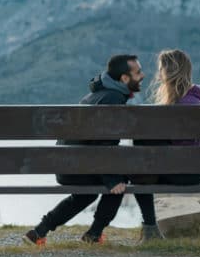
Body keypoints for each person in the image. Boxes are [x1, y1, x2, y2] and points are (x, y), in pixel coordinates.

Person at [23, 54, 146, 246]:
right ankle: (94, 234)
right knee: (118, 184)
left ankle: (39, 232)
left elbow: (97, 144)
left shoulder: (98, 95)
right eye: (138, 72)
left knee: (86, 194)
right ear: (124, 78)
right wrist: (112, 180)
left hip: (67, 167)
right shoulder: (112, 99)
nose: (143, 75)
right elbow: (103, 144)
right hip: (80, 166)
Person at [130, 49, 200, 241]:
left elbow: (184, 144)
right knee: (142, 162)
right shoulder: (196, 99)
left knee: (139, 165)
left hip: (184, 172)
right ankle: (150, 229)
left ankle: (150, 228)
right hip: (197, 172)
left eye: (161, 70)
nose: (158, 75)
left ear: (168, 72)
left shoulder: (183, 105)